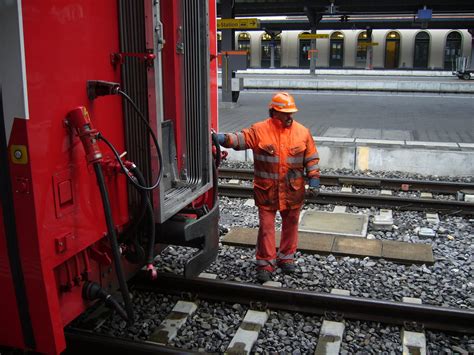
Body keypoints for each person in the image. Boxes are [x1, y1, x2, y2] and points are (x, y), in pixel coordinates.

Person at [217, 92, 320, 283]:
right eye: (286, 112)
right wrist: (222, 138)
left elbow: (311, 158)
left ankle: (286, 258)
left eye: (291, 112)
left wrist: (314, 179)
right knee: (266, 228)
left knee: (291, 226)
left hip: (292, 191)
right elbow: (240, 139)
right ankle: (265, 263)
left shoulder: (302, 132)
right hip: (268, 192)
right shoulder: (259, 130)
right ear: (274, 112)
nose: (290, 116)